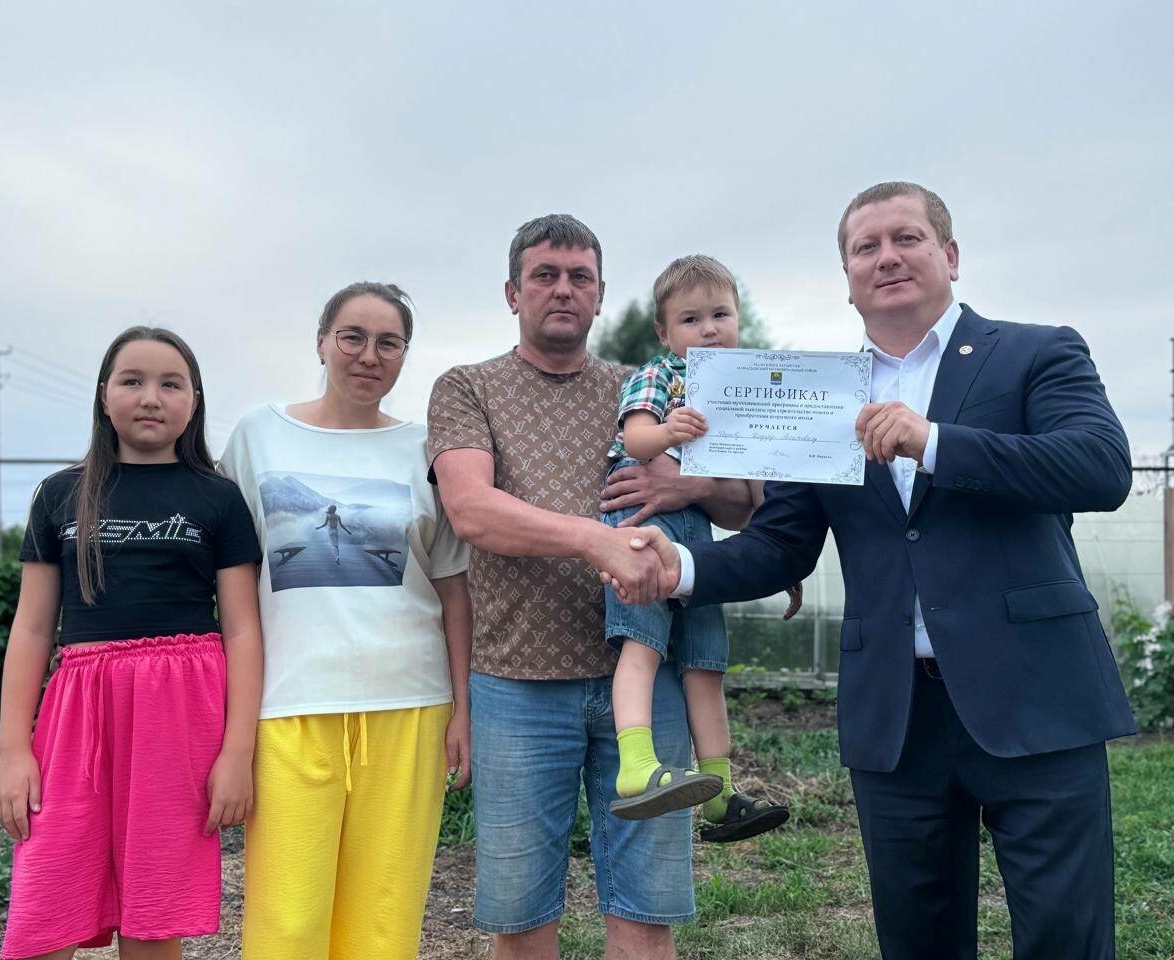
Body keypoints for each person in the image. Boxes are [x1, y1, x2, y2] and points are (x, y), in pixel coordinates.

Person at [614, 182, 1136, 959]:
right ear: (849, 277)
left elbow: (1099, 467)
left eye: (907, 238)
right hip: (896, 714)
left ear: (950, 256)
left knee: (1066, 936)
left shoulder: (1037, 352)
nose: (887, 257)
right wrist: (681, 568)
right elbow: (781, 544)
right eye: (866, 247)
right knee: (916, 939)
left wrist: (935, 442)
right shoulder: (824, 394)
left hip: (1037, 695)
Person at [428, 215, 764, 960]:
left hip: (647, 676)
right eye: (544, 275)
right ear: (512, 293)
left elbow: (742, 505)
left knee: (646, 914)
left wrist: (686, 487)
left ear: (601, 294)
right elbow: (471, 509)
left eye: (579, 277)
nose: (563, 290)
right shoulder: (468, 387)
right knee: (521, 920)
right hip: (517, 683)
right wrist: (595, 538)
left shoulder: (645, 388)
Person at [0, 327, 264, 960]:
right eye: (132, 381)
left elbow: (243, 630)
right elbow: (31, 629)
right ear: (103, 394)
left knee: (153, 908)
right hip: (78, 709)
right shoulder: (60, 494)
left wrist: (237, 753)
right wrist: (12, 749)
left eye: (171, 384)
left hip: (181, 713)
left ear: (194, 400)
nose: (150, 397)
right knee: (47, 890)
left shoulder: (219, 498)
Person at [219, 281, 472, 960]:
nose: (368, 355)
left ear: (405, 354)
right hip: (289, 705)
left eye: (389, 342)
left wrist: (464, 709)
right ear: (322, 342)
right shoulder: (257, 436)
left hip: (411, 705)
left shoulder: (427, 450)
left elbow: (454, 591)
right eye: (352, 337)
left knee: (384, 919)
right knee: (288, 920)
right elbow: (227, 581)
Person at [603, 253, 792, 841]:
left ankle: (721, 792)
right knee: (642, 642)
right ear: (664, 333)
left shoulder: (747, 392)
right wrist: (669, 431)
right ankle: (636, 766)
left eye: (720, 315)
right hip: (641, 522)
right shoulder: (661, 375)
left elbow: (757, 491)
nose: (708, 329)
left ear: (738, 319)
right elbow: (635, 437)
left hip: (699, 540)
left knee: (706, 663)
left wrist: (779, 555)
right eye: (690, 319)